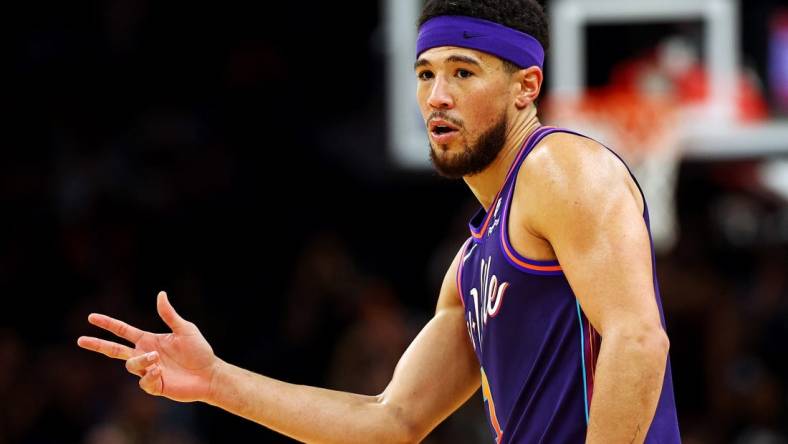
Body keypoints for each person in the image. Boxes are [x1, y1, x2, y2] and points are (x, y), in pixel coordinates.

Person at [77, 0, 681, 442]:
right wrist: (215, 381)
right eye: (426, 74)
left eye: (463, 72)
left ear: (526, 87)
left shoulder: (560, 167)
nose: (437, 96)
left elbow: (638, 338)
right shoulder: (471, 264)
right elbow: (390, 421)